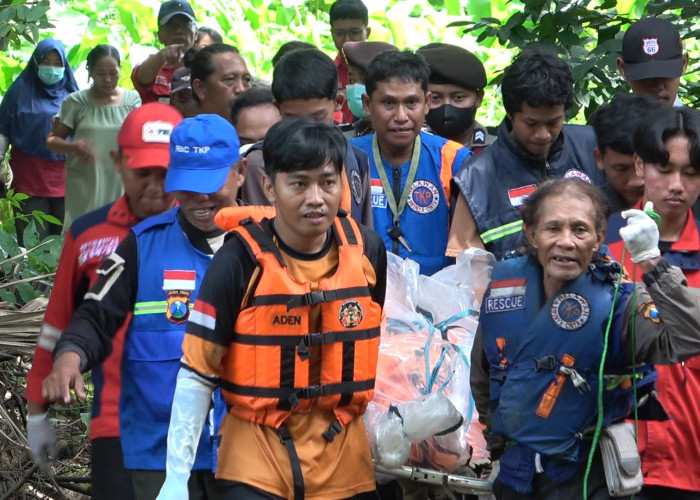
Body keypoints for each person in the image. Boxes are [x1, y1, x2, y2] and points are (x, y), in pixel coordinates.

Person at [157, 117, 387, 500]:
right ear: (269, 186)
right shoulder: (237, 261)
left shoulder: (367, 251)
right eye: (299, 183)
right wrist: (176, 477)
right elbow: (197, 373)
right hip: (256, 461)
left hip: (344, 462)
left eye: (328, 182)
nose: (316, 197)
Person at [41, 114, 247, 500]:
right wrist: (70, 356)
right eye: (187, 185)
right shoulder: (141, 245)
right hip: (159, 452)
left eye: (211, 184)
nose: (201, 198)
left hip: (249, 450)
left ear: (241, 172)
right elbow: (96, 315)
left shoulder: (266, 244)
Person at [472, 177, 700, 499]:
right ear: (532, 234)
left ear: (597, 238)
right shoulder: (505, 292)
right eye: (553, 228)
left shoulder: (622, 302)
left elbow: (690, 338)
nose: (566, 241)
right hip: (515, 475)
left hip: (587, 479)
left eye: (579, 230)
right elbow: (484, 377)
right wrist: (497, 448)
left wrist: (652, 261)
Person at [26, 102, 181, 500]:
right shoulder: (89, 234)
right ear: (117, 161)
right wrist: (37, 409)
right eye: (142, 173)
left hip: (201, 425)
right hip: (117, 422)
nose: (154, 187)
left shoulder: (211, 233)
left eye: (165, 174)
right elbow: (58, 323)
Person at [606, 106, 700, 499]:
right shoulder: (600, 247)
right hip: (616, 460)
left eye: (691, 173)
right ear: (640, 166)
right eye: (664, 169)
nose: (676, 184)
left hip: (691, 459)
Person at [447, 46, 603, 261]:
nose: (543, 135)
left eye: (553, 122)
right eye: (531, 123)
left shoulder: (593, 148)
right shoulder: (476, 178)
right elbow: (466, 269)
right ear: (511, 114)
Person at [351, 50, 472, 276]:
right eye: (388, 103)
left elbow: (467, 250)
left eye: (411, 103)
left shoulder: (454, 159)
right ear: (367, 105)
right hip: (366, 293)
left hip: (437, 295)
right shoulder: (349, 158)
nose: (401, 116)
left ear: (426, 103)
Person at [240, 48, 373, 229]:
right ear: (277, 108)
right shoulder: (260, 164)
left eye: (317, 118)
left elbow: (364, 235)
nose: (306, 130)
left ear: (338, 103)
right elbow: (261, 238)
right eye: (294, 120)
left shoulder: (356, 158)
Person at [47, 44, 141, 229]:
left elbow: (139, 140)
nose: (107, 80)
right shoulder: (76, 102)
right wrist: (74, 147)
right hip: (86, 183)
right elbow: (52, 141)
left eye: (113, 73)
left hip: (120, 181)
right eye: (100, 73)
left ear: (120, 69)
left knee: (119, 234)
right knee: (84, 232)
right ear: (89, 71)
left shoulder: (132, 101)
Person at [0, 38, 78, 242]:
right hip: (29, 176)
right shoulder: (18, 93)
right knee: (32, 237)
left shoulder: (74, 95)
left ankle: (61, 275)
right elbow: (3, 130)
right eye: (46, 62)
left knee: (64, 237)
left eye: (57, 63)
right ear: (36, 63)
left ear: (64, 66)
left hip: (67, 176)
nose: (51, 68)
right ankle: (33, 275)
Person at [417, 42, 495, 153]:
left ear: (478, 98)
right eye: (435, 98)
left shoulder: (499, 149)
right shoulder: (410, 150)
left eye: (458, 97)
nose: (446, 108)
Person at [590, 93, 660, 214]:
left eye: (645, 166)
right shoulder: (588, 212)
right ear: (599, 158)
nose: (637, 181)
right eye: (621, 169)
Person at [132, 0, 197, 104]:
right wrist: (162, 56)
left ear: (196, 33)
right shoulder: (153, 65)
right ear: (159, 36)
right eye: (171, 26)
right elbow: (141, 78)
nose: (178, 31)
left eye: (185, 25)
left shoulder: (205, 64)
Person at [617, 17, 688, 107]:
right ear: (622, 69)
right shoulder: (605, 121)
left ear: (684, 64)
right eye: (644, 77)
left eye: (665, 74)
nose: (656, 87)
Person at [340, 40, 397, 138]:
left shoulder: (410, 136)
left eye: (366, 81)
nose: (356, 87)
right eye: (352, 80)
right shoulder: (344, 138)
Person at [329, 0, 371, 124]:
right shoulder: (328, 73)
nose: (347, 40)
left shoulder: (386, 69)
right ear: (332, 35)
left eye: (354, 32)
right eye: (340, 33)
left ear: (367, 32)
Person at [188, 43, 252, 122]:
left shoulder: (263, 131)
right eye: (230, 79)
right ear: (200, 88)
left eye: (247, 79)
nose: (241, 89)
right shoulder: (188, 133)